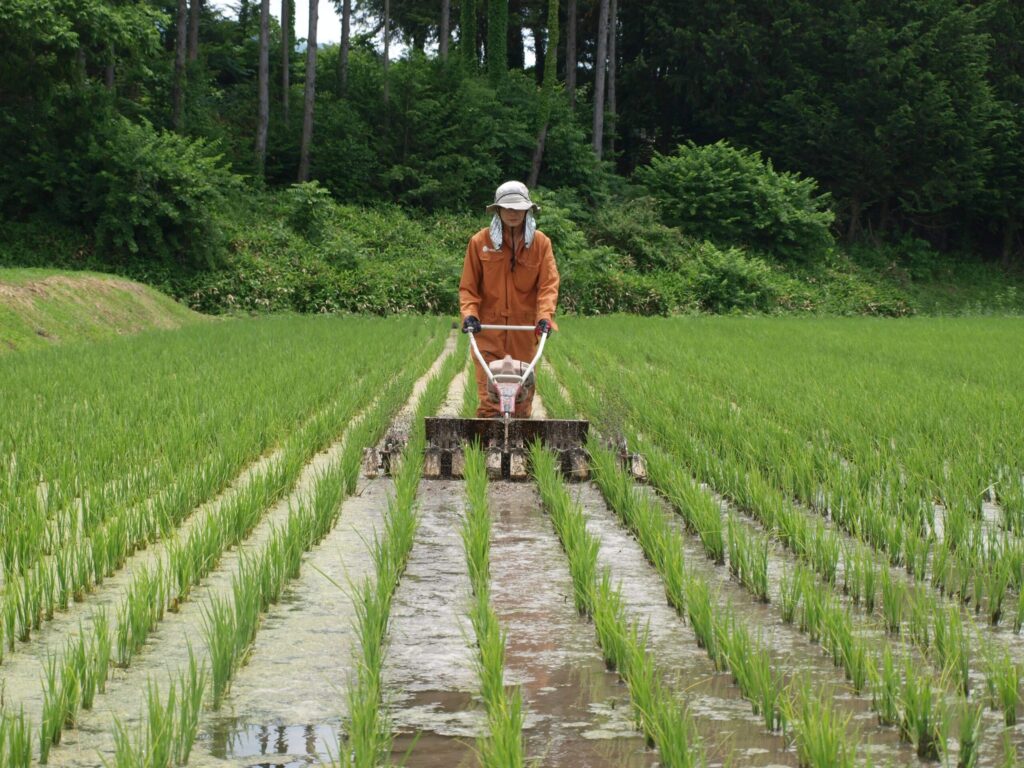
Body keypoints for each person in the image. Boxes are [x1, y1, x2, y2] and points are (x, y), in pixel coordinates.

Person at [459, 180, 560, 418]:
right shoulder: (479, 243)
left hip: (524, 332)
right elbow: (468, 288)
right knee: (490, 399)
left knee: (522, 399)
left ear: (527, 210)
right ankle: (488, 451)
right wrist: (470, 315)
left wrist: (545, 317)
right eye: (508, 208)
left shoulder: (541, 243)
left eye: (518, 209)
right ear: (498, 210)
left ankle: (521, 451)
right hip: (488, 332)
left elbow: (548, 286)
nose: (513, 214)